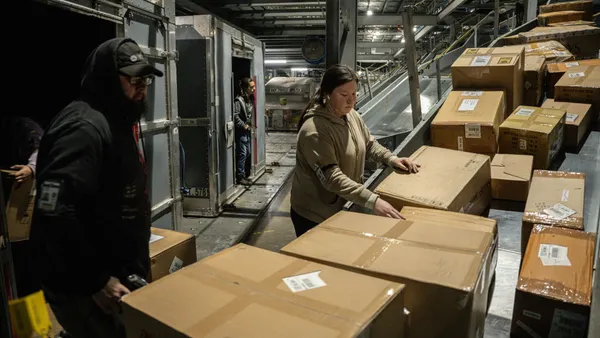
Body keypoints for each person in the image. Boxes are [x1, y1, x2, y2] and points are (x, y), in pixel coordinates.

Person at [29, 37, 163, 338]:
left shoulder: (115, 119)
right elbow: (55, 210)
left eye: (145, 79)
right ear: (107, 80)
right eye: (133, 79)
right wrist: (97, 281)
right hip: (89, 291)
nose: (141, 87)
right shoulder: (84, 127)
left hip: (115, 279)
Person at [290, 64, 420, 237]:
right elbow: (332, 178)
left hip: (341, 206)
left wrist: (391, 159)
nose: (351, 100)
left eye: (354, 94)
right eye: (344, 95)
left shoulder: (351, 116)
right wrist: (372, 201)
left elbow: (369, 143)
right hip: (315, 215)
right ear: (327, 94)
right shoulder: (314, 131)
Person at [0, 116, 44, 298]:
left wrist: (31, 168)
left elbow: (42, 149)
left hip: (25, 221)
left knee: (29, 276)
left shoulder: (19, 126)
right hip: (8, 230)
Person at [234, 77, 256, 185]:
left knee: (247, 153)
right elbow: (235, 116)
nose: (254, 88)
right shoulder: (239, 101)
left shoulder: (249, 99)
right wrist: (244, 126)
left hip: (246, 131)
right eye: (251, 87)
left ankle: (244, 174)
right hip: (241, 131)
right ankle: (240, 176)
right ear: (245, 88)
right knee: (242, 153)